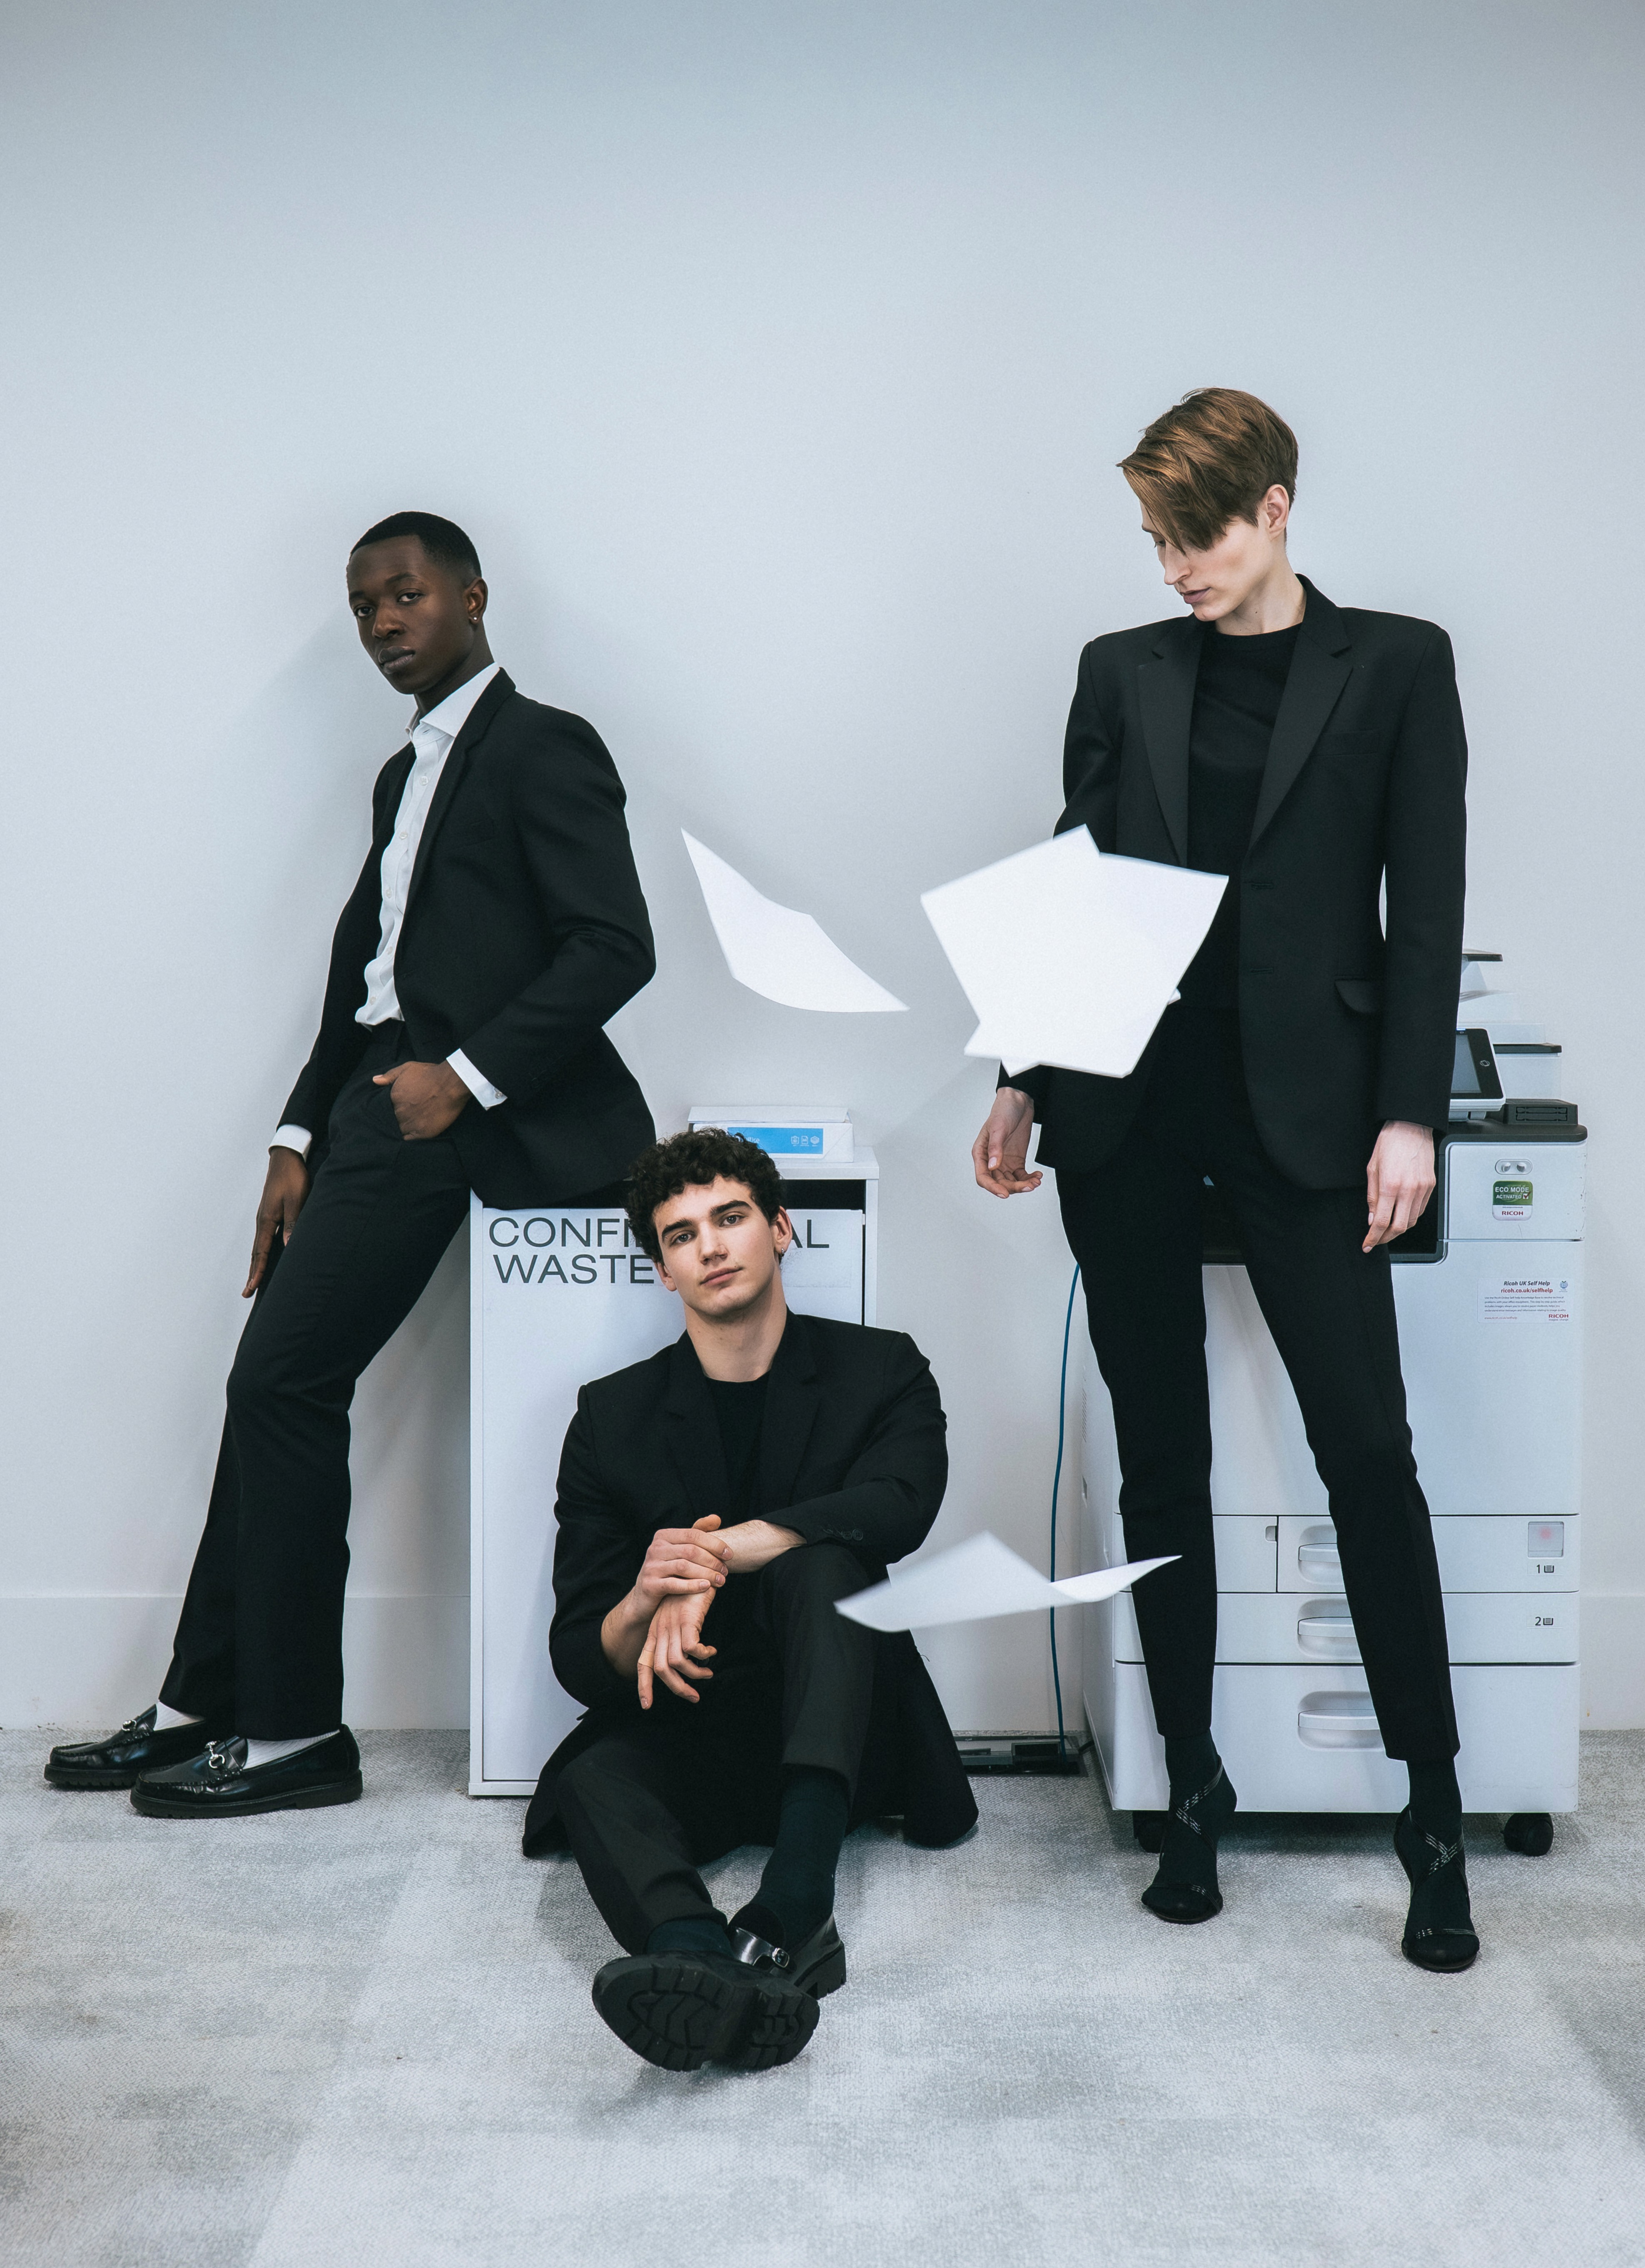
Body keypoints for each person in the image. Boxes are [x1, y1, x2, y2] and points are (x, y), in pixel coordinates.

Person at [973, 390, 1479, 1973]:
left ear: (1274, 509)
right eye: (1153, 540)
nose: (1172, 567)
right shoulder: (1121, 669)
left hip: (1312, 1120)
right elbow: (1073, 879)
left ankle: (1434, 1815)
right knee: (1162, 1463)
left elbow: (1427, 907)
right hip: (1127, 1110)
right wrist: (1019, 1072)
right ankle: (1191, 1783)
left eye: (1193, 535)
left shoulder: (1398, 664)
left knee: (1368, 1455)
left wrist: (1412, 1117)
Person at [46, 513, 656, 1819]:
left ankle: (293, 1734)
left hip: (458, 1109)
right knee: (269, 1387)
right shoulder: (402, 776)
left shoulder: (544, 746)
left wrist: (465, 1077)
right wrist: (296, 1137)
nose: (384, 623)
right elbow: (364, 980)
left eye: (406, 595)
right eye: (365, 606)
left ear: (473, 596)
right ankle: (208, 1701)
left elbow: (615, 947)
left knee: (280, 1383)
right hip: (373, 1107)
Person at [523, 1127, 975, 2071]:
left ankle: (793, 1911)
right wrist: (646, 1595)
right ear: (663, 1271)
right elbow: (580, 1659)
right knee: (592, 1778)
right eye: (681, 1235)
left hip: (847, 1733)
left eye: (729, 1218)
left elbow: (900, 1507)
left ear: (780, 1229)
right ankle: (695, 1958)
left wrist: (714, 1554)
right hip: (703, 1732)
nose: (711, 1247)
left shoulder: (881, 1369)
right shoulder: (612, 1417)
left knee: (824, 1562)